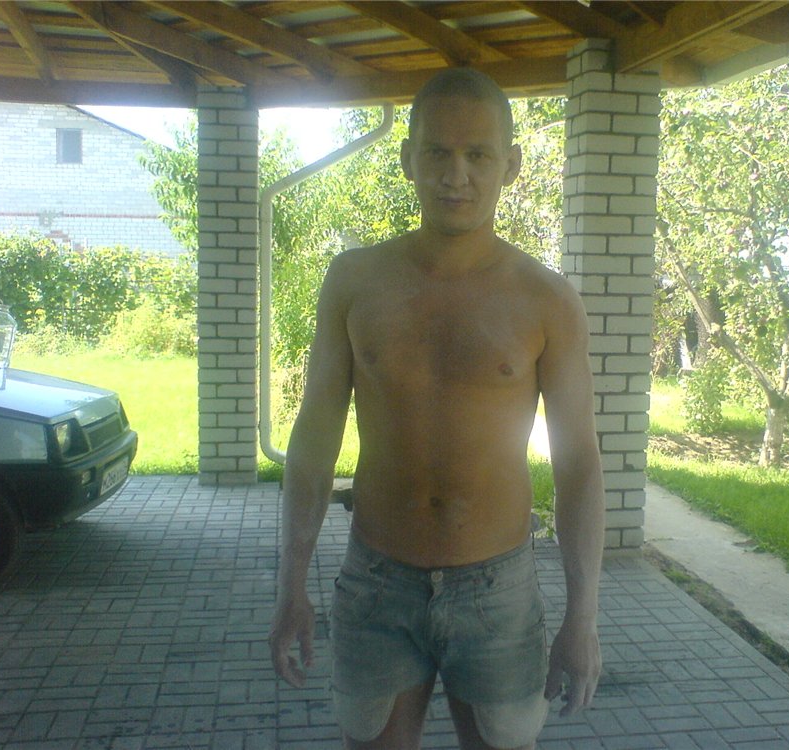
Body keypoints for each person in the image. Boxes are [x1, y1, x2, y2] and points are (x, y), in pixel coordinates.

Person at [269, 67, 605, 750]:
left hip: (498, 588)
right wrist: (290, 584)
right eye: (437, 153)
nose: (457, 176)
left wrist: (584, 618)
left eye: (478, 154)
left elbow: (580, 465)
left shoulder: (547, 299)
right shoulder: (354, 280)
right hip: (378, 579)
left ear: (510, 164)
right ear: (407, 159)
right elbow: (314, 439)